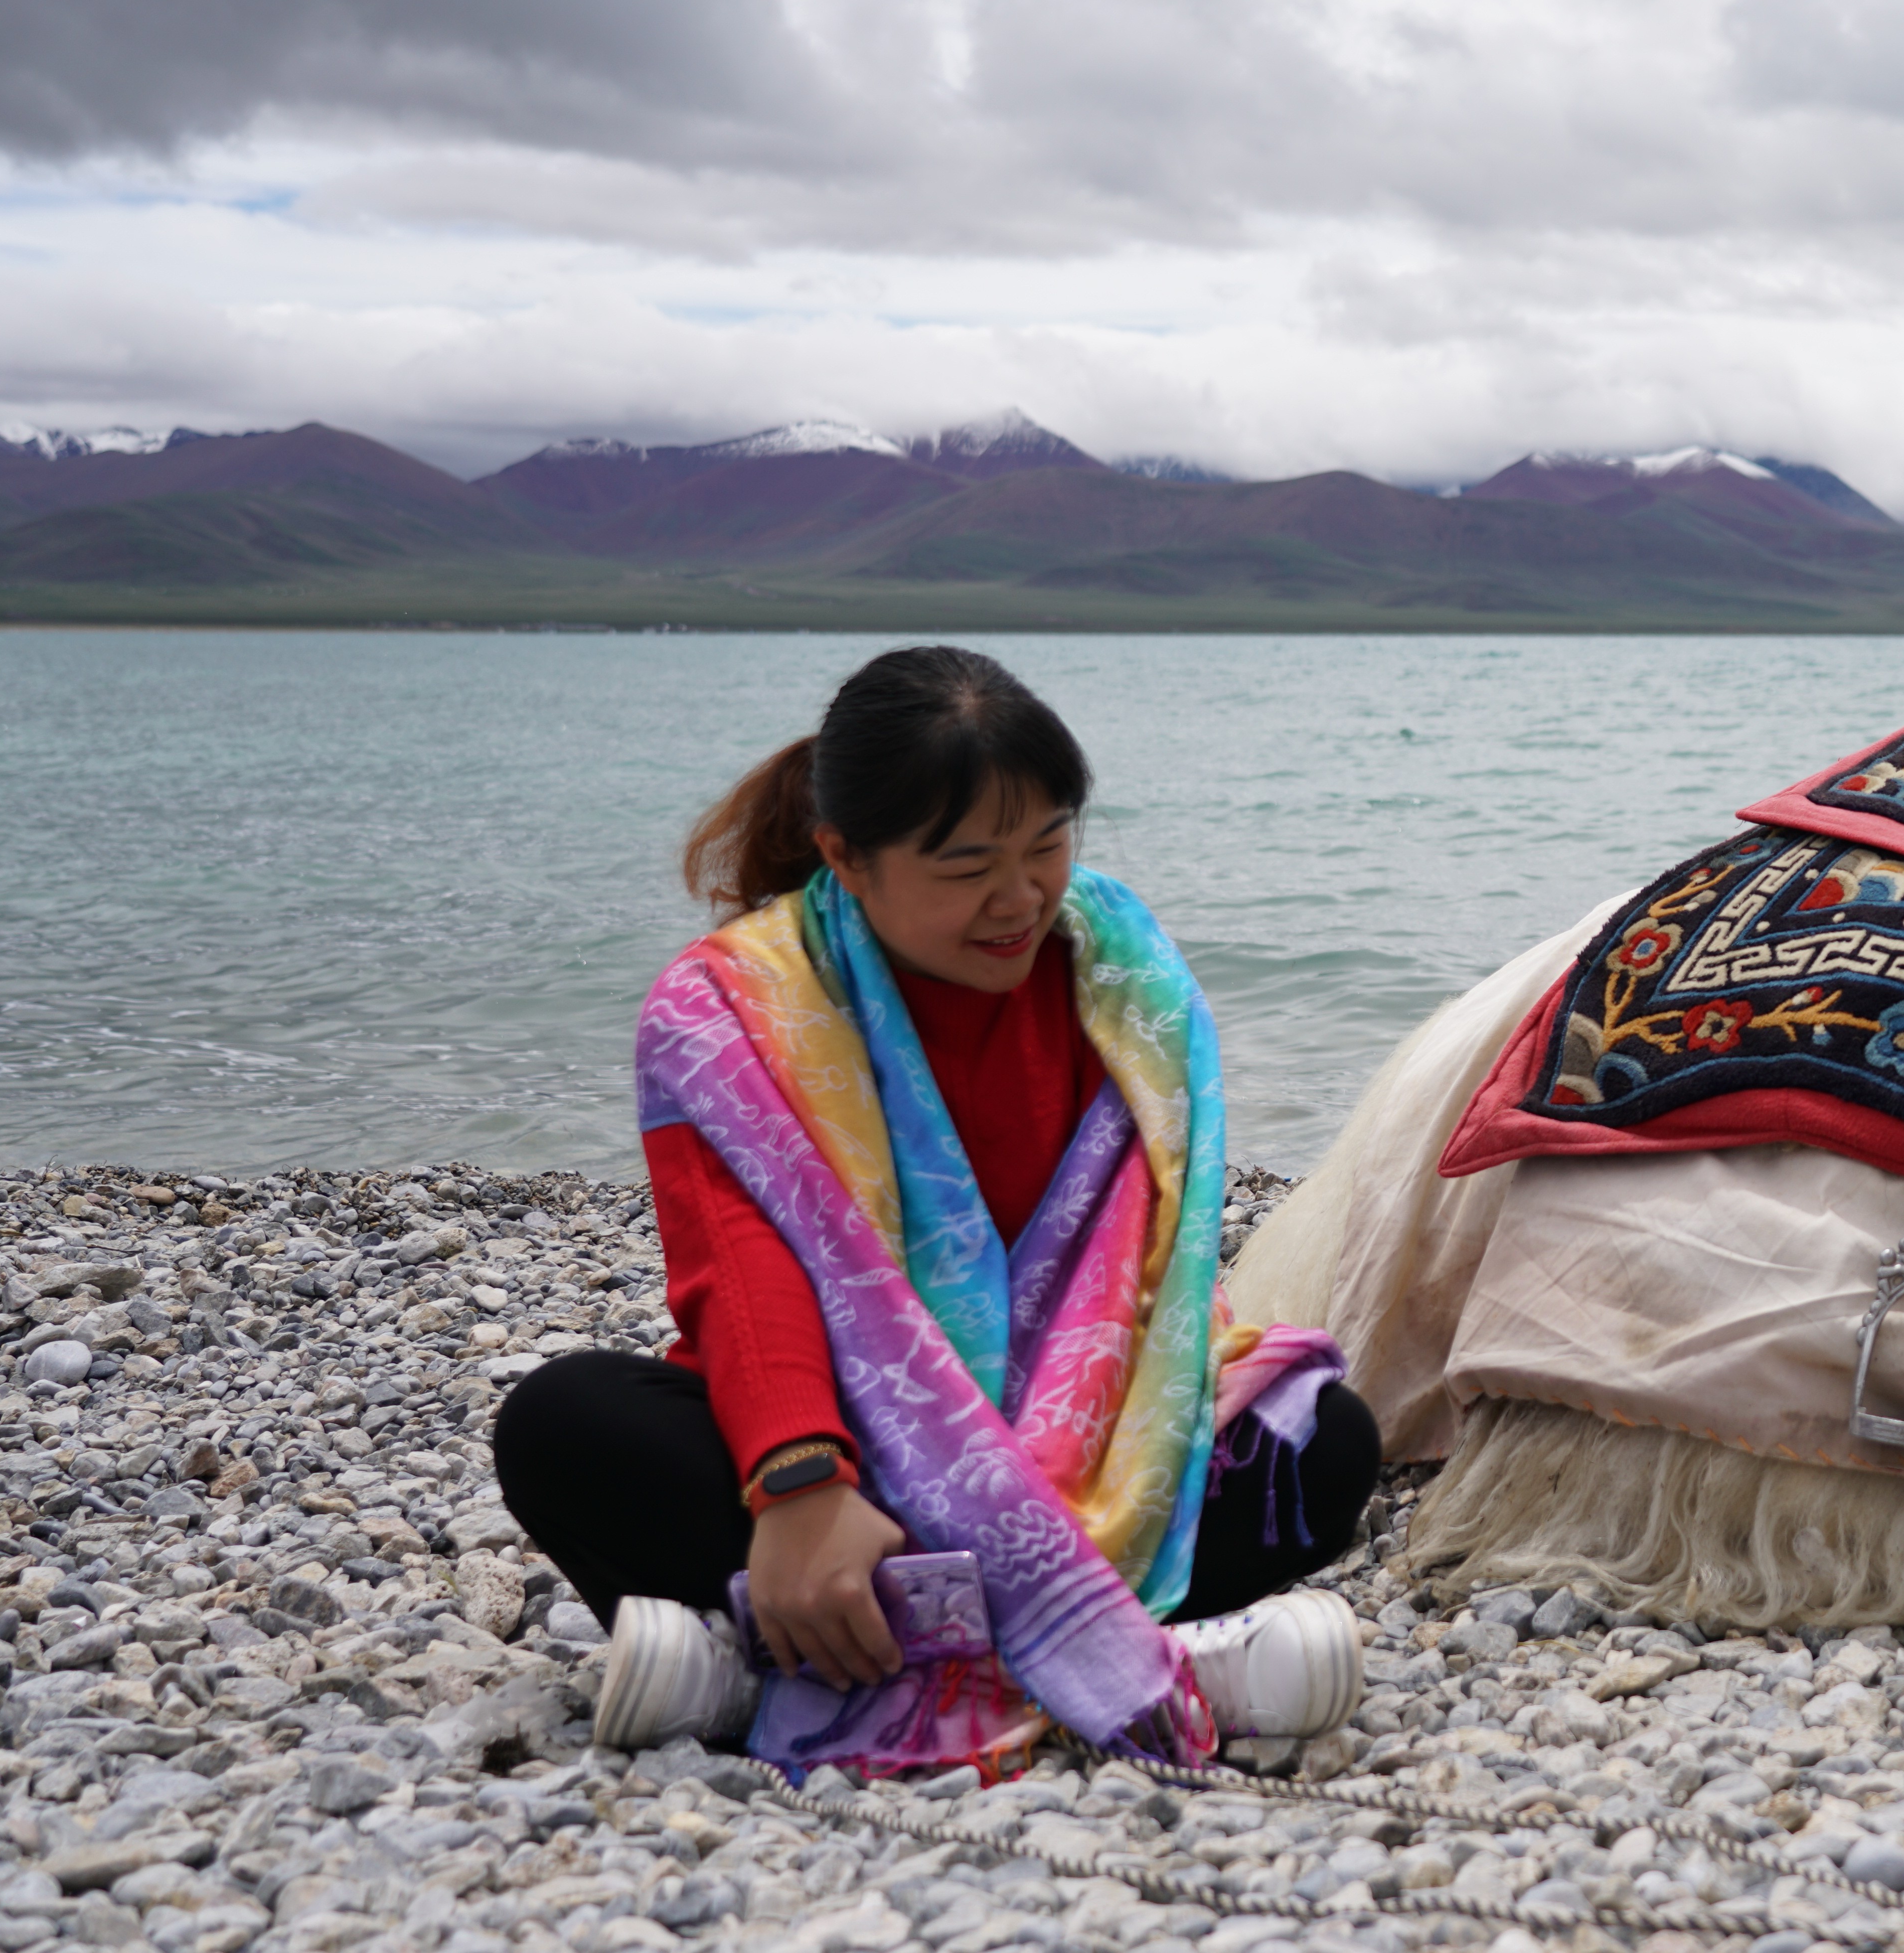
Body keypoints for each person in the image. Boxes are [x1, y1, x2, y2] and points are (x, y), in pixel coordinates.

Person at [491, 646, 1379, 1767]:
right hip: (845, 1444)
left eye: (1048, 843)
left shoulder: (1121, 972)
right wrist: (799, 1482)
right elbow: (740, 1270)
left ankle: (753, 1675)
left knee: (1324, 1439)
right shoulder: (726, 1008)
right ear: (845, 858)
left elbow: (1148, 1271)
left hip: (1087, 1440)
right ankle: (1142, 1666)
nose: (1018, 900)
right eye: (965, 867)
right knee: (565, 1424)